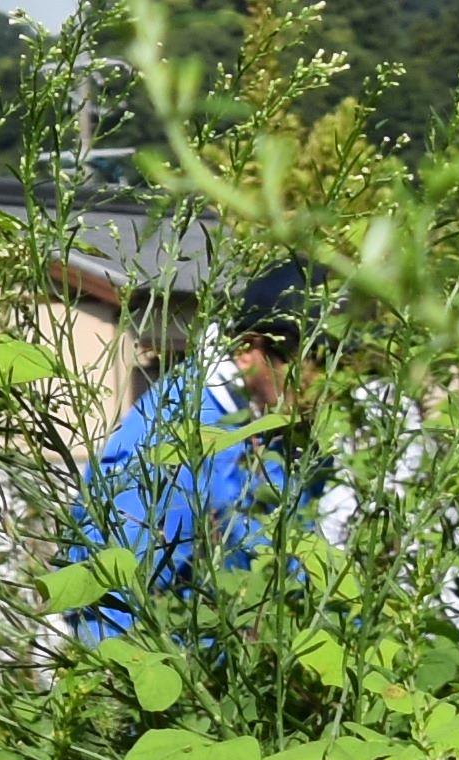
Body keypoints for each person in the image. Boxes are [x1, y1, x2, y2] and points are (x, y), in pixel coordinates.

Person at [69, 263, 345, 632]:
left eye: (334, 360)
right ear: (248, 349)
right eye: (307, 359)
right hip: (178, 670)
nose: (322, 379)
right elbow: (103, 592)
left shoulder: (283, 425)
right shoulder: (174, 432)